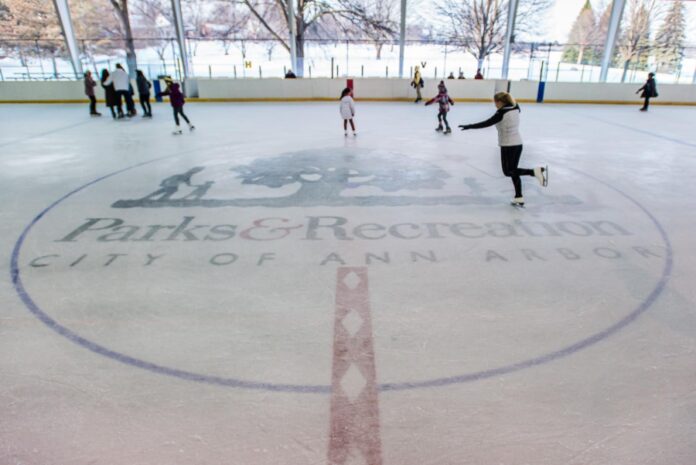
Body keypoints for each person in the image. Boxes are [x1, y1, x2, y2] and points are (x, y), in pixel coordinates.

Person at [459, 91, 547, 207]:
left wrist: (469, 126)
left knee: (508, 171)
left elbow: (487, 123)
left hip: (508, 145)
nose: (495, 105)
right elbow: (512, 104)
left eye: (495, 102)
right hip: (518, 144)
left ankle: (535, 172)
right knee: (513, 171)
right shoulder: (516, 107)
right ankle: (518, 197)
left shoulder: (501, 112)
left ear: (500, 102)